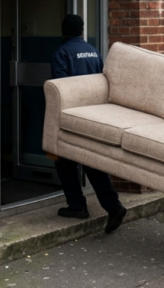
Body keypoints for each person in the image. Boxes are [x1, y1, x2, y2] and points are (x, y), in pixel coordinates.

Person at [50, 14, 128, 232]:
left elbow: (61, 88)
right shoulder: (93, 51)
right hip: (93, 115)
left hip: (72, 117)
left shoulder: (61, 53)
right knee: (92, 162)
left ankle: (77, 206)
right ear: (82, 30)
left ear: (63, 31)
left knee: (64, 162)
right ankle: (113, 206)